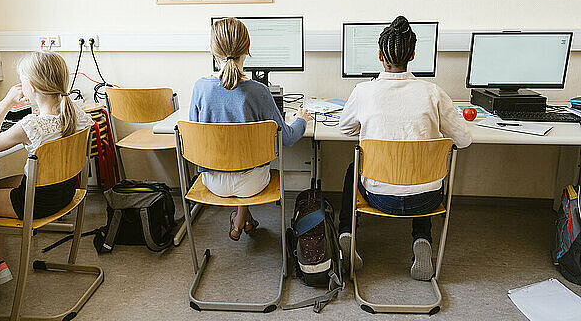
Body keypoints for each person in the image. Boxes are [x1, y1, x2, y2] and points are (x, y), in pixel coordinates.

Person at [337, 16, 472, 280]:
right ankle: (422, 240)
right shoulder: (433, 92)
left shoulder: (364, 91)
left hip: (378, 196)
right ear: (412, 55)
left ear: (379, 55)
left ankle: (346, 233)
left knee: (355, 166)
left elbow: (345, 129)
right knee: (422, 171)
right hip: (427, 199)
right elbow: (464, 140)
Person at [189, 17, 311, 241]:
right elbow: (289, 138)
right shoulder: (259, 91)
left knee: (237, 161)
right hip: (253, 184)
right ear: (248, 49)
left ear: (211, 50)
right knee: (246, 168)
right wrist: (302, 119)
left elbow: (194, 141)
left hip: (213, 182)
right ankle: (242, 219)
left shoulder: (200, 88)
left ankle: (241, 220)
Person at [0, 51, 93, 289]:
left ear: (29, 86)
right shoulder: (78, 114)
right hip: (65, 195)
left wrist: (6, 103)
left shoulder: (31, 126)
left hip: (35, 203)